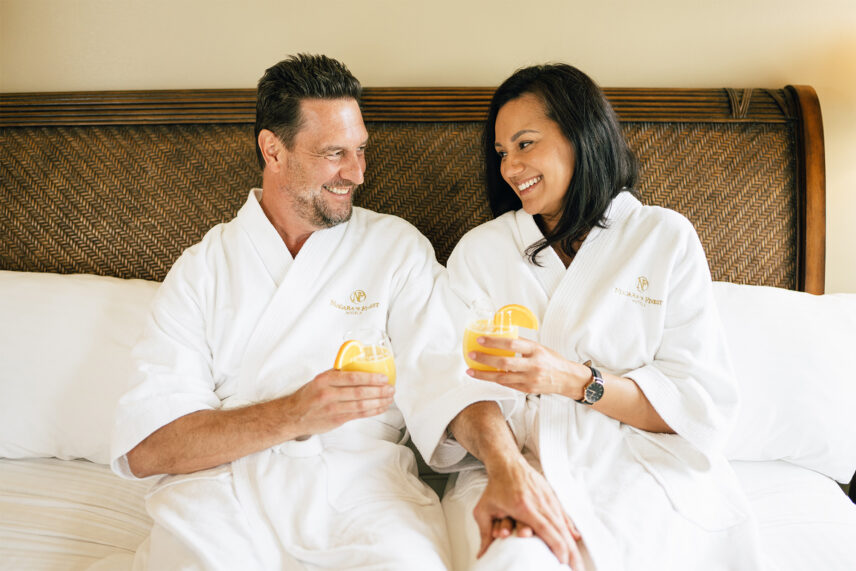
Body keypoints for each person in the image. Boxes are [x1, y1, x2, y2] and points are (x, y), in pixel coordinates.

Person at [109, 54, 472, 570]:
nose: (357, 173)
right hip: (223, 494)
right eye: (333, 154)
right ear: (272, 149)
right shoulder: (203, 270)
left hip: (361, 492)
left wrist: (506, 459)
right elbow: (149, 447)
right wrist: (295, 413)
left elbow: (447, 382)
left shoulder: (395, 249)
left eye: (361, 150)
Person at [436, 64, 766, 570]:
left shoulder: (663, 238)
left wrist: (570, 379)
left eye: (525, 144)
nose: (509, 167)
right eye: (502, 152)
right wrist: (508, 470)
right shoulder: (482, 252)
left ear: (581, 135)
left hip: (641, 463)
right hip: (518, 463)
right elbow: (453, 386)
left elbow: (696, 406)